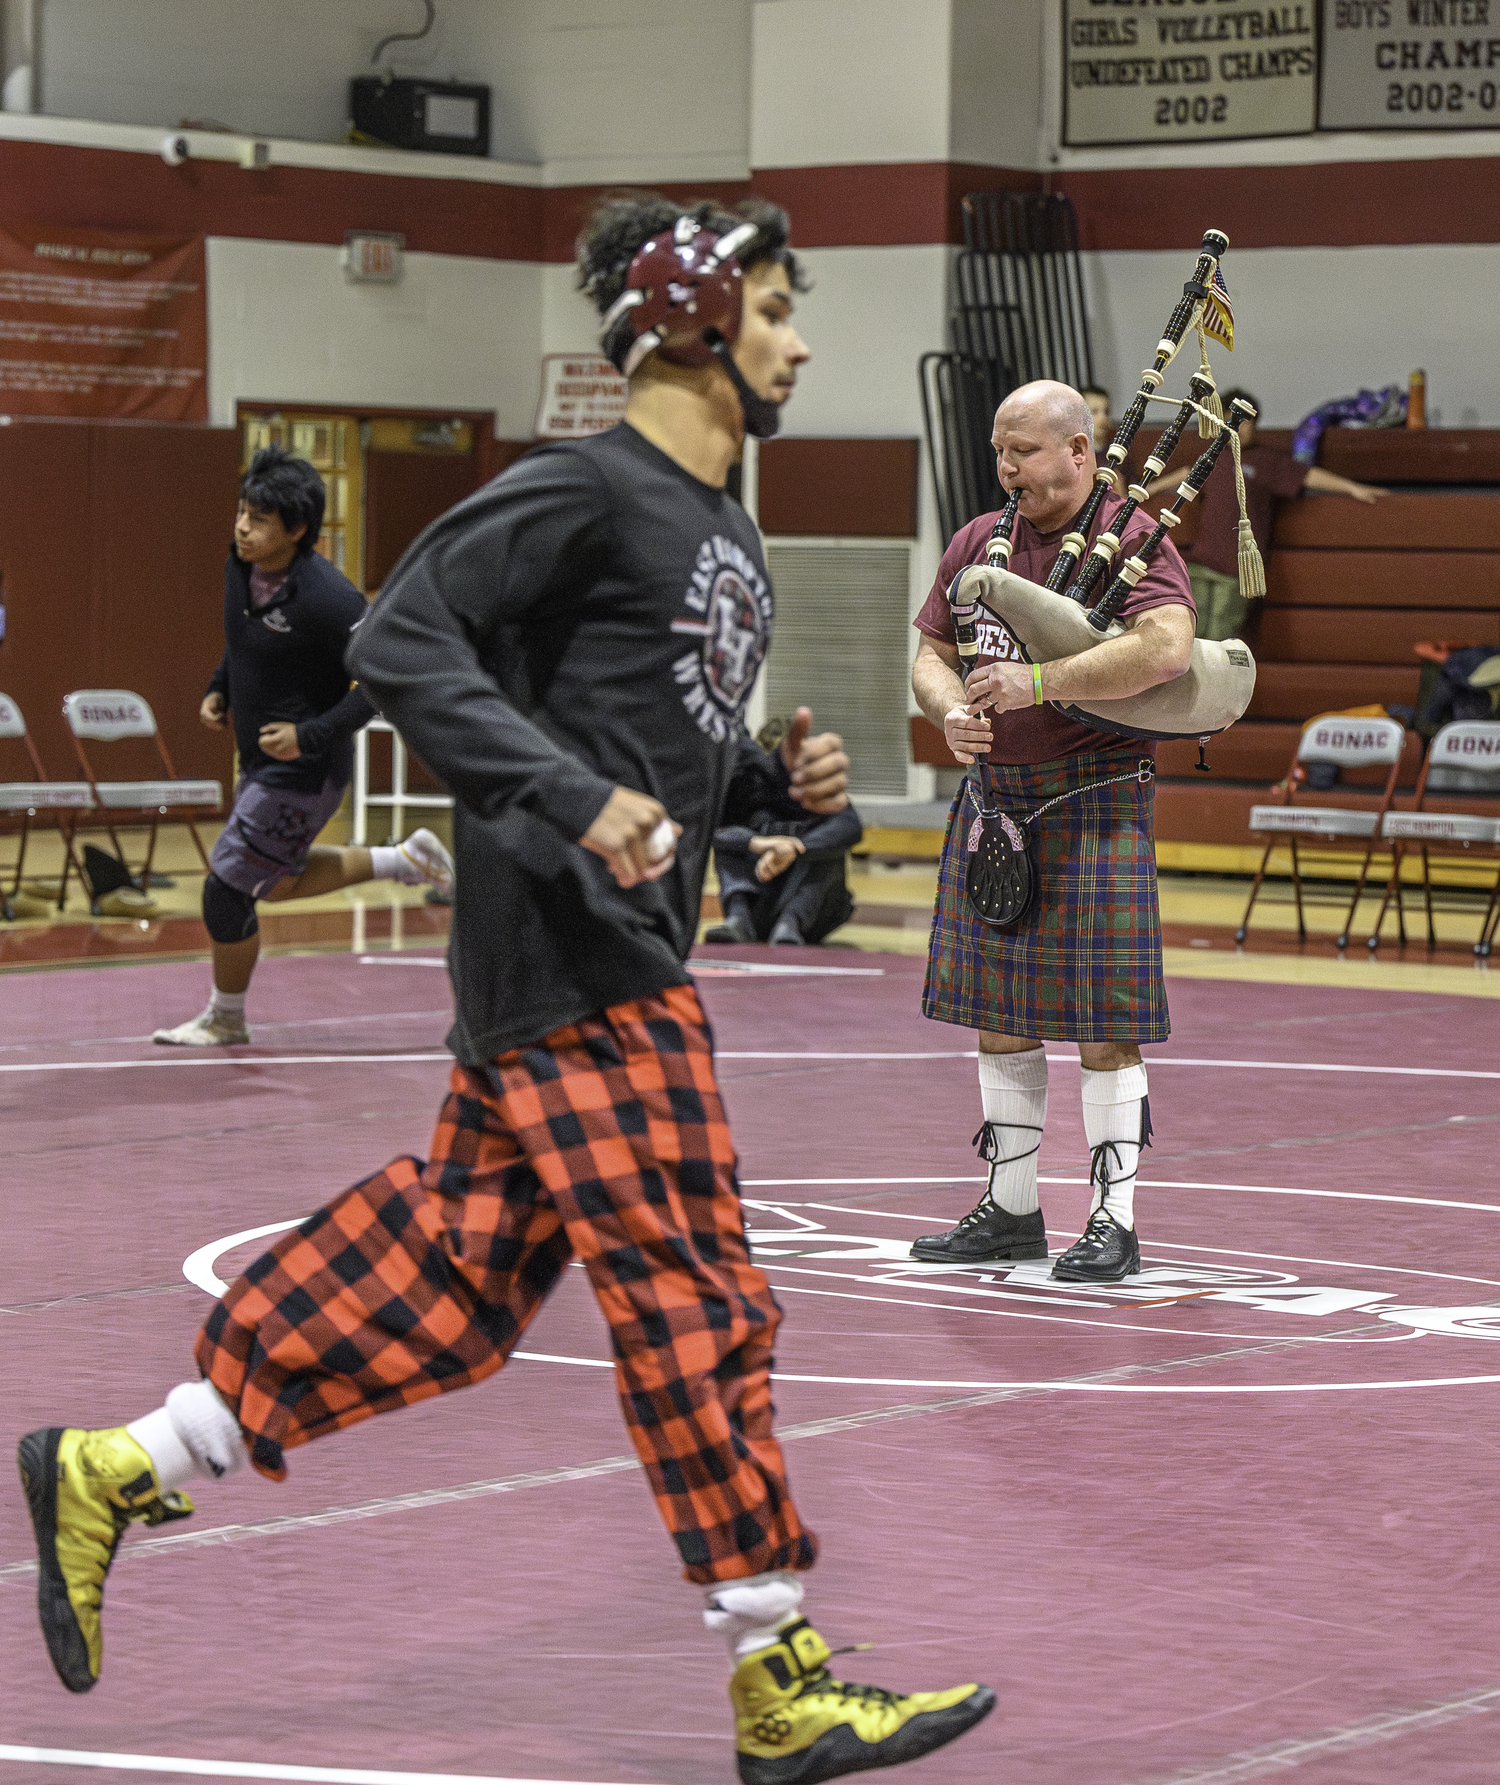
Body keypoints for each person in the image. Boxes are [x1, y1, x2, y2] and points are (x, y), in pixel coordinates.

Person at [20, 195, 993, 1785]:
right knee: (697, 1297)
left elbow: (645, 733)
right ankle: (778, 1672)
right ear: (684, 324)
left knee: (458, 1291)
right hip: (579, 959)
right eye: (769, 311)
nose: (800, 339)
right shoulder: (581, 488)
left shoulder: (723, 529)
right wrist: (563, 801)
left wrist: (762, 781)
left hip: (597, 948)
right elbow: (402, 642)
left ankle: (123, 1462)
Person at [908, 380, 1196, 1284]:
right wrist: (950, 709)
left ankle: (1115, 1219)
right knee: (998, 1014)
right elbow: (931, 650)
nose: (1007, 468)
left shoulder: (1132, 540)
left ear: (1080, 450)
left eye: (1024, 451)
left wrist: (1044, 683)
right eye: (1001, 450)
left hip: (1093, 797)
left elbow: (1166, 645)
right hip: (997, 798)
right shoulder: (976, 541)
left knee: (1103, 1023)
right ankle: (1013, 1207)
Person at [153, 446, 454, 1047]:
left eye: (258, 520)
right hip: (263, 764)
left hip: (305, 771)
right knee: (277, 881)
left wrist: (308, 736)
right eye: (240, 512)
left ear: (295, 530)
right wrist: (220, 686)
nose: (241, 527)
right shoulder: (241, 566)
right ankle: (403, 860)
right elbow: (244, 639)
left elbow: (383, 681)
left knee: (227, 889)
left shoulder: (330, 599)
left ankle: (226, 1018)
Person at [1147, 387, 1385, 642]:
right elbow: (1187, 473)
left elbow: (1307, 476)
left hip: (1236, 571)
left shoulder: (1267, 461)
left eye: (1246, 421)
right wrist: (1149, 488)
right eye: (1232, 421)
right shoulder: (1214, 457)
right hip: (1200, 563)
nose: (1240, 428)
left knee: (1220, 640)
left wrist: (1352, 487)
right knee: (1189, 634)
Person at [706, 709, 863, 945]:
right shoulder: (747, 784)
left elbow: (850, 826)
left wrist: (798, 847)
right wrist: (756, 843)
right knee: (733, 841)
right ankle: (738, 917)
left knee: (828, 846)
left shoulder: (812, 789)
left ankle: (791, 921)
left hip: (811, 911)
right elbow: (713, 832)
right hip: (756, 903)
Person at [1081, 384, 1111, 452]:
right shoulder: (1076, 455)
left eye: (1106, 412)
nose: (1103, 418)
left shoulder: (1116, 451)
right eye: (1094, 411)